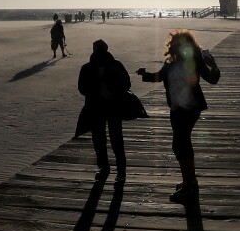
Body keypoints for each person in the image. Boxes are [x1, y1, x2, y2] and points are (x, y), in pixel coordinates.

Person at [136, 29, 220, 202]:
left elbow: (212, 79)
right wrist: (144, 75)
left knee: (181, 145)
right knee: (181, 144)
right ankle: (189, 182)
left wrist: (213, 64)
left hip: (187, 109)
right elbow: (159, 77)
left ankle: (190, 187)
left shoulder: (192, 61)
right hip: (179, 109)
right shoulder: (173, 62)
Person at [76, 40, 130, 182]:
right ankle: (112, 169)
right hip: (102, 107)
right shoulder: (111, 65)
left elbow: (82, 89)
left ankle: (114, 169)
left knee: (110, 139)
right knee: (106, 139)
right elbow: (82, 88)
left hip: (106, 107)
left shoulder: (89, 67)